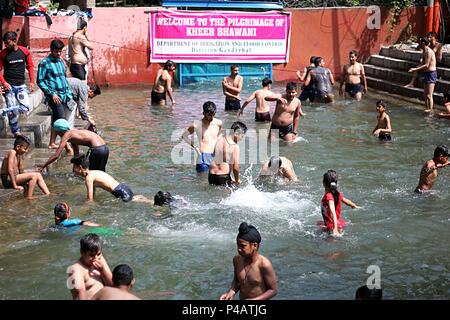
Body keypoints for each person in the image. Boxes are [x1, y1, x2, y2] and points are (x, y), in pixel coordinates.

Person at [220, 222, 277, 300]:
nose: (239, 249)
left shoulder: (264, 264)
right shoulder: (237, 260)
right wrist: (231, 292)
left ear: (254, 245)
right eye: (237, 245)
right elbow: (237, 281)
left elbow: (273, 290)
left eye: (243, 246)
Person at [37, 39, 74, 149]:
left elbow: (64, 78)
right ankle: (67, 146)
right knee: (62, 121)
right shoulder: (44, 63)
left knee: (56, 119)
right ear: (51, 50)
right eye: (56, 51)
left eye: (60, 51)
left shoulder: (61, 61)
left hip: (64, 95)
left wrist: (69, 94)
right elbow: (40, 81)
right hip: (53, 97)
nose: (58, 54)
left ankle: (52, 143)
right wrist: (51, 94)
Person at [39, 119, 109, 172]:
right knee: (101, 173)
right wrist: (75, 169)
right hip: (105, 148)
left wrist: (43, 166)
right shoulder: (73, 133)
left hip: (97, 150)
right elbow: (76, 152)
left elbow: (56, 155)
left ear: (58, 131)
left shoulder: (66, 135)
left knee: (93, 174)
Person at [0, 31, 35, 136]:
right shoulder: (3, 54)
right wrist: (4, 82)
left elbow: (30, 66)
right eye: (5, 43)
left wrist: (32, 81)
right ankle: (16, 131)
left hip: (21, 85)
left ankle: (4, 111)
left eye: (8, 43)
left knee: (26, 107)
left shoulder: (24, 51)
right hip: (9, 86)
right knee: (12, 111)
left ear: (15, 41)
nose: (6, 45)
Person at [1, 135, 50, 199]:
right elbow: (10, 169)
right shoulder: (12, 152)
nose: (26, 151)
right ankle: (29, 197)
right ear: (18, 147)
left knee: (38, 174)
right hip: (8, 180)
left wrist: (25, 178)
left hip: (15, 178)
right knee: (33, 176)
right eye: (25, 148)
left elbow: (21, 169)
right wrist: (15, 186)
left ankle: (48, 193)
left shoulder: (18, 155)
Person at [67, 233, 113, 300]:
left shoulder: (99, 258)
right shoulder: (76, 270)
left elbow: (113, 285)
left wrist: (102, 270)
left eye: (98, 254)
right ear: (82, 253)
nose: (96, 258)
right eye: (91, 255)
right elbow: (80, 297)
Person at [182, 101, 222, 172]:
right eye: (209, 115)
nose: (211, 117)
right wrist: (196, 148)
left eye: (213, 114)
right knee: (202, 181)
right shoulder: (196, 125)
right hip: (203, 156)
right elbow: (184, 136)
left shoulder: (218, 123)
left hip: (215, 156)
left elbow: (219, 136)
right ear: (203, 113)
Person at [321, 170, 359, 236]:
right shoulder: (336, 194)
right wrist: (355, 206)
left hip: (332, 225)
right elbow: (347, 201)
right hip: (337, 222)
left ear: (323, 183)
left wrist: (335, 229)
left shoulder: (329, 196)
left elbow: (333, 213)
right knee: (318, 223)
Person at [208, 121, 247, 187]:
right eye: (242, 136)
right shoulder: (235, 146)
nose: (241, 139)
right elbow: (235, 167)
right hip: (223, 177)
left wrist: (230, 177)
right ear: (236, 134)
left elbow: (213, 154)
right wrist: (237, 180)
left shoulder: (219, 139)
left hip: (211, 174)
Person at [406, 37, 437, 112]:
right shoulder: (424, 51)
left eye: (420, 42)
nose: (418, 44)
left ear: (423, 43)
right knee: (425, 95)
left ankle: (430, 111)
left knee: (429, 95)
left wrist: (415, 69)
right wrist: (421, 61)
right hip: (426, 73)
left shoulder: (429, 51)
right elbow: (423, 62)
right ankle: (427, 109)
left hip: (431, 74)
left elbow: (427, 65)